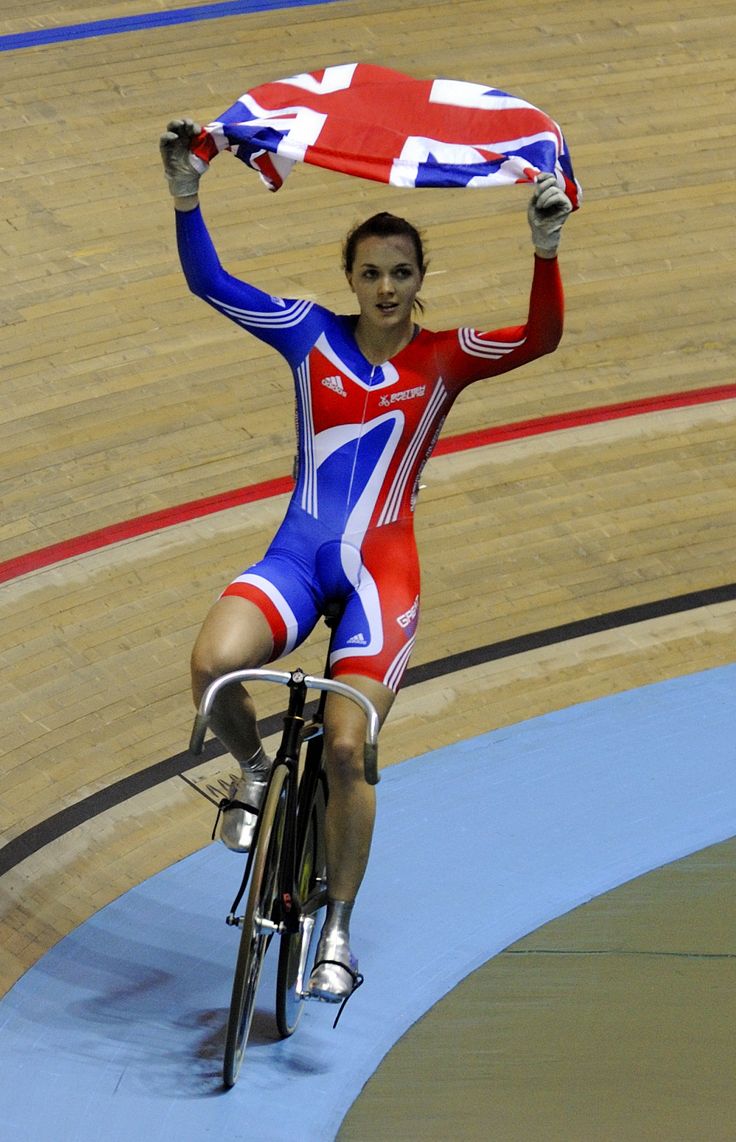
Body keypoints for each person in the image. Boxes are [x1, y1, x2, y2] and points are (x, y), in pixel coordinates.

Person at [160, 117, 572, 1004]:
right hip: (298, 557)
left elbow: (540, 339)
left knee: (349, 752)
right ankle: (257, 771)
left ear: (421, 282)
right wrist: (188, 192)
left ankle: (337, 928)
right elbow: (209, 280)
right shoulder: (306, 331)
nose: (386, 287)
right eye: (371, 272)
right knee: (211, 668)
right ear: (350, 278)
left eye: (402, 273)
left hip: (384, 577)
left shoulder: (445, 358)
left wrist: (545, 249)